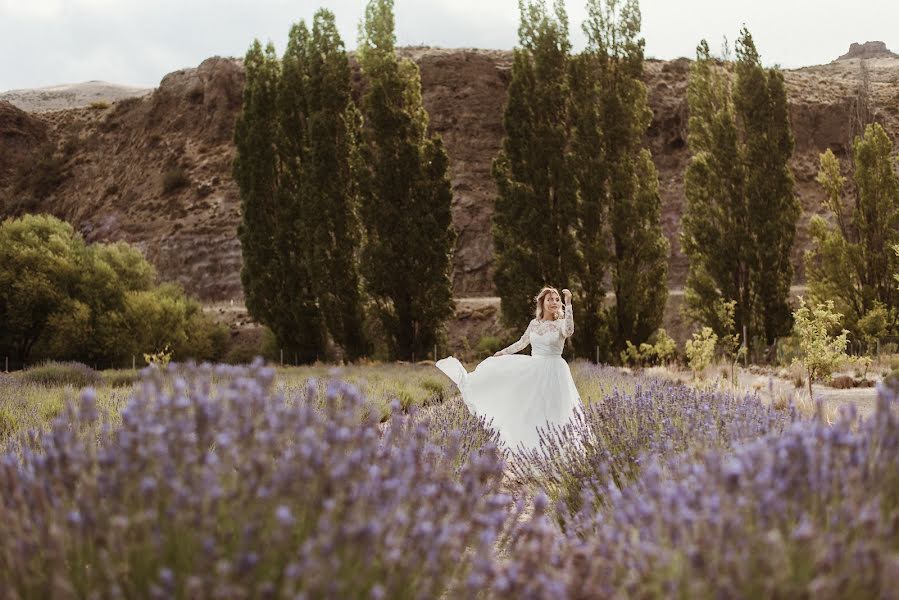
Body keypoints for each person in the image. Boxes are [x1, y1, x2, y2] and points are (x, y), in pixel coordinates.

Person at [435, 286, 582, 451]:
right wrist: (502, 353)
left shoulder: (561, 324)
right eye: (550, 299)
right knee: (531, 410)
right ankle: (534, 448)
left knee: (555, 410)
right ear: (542, 302)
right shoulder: (534, 324)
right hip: (534, 370)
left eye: (557, 300)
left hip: (555, 371)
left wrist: (568, 304)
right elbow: (521, 342)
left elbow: (569, 331)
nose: (554, 302)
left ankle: (560, 449)